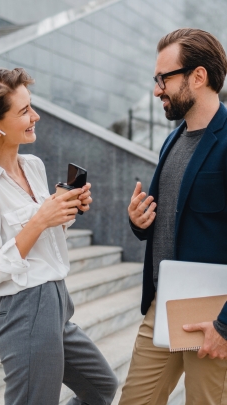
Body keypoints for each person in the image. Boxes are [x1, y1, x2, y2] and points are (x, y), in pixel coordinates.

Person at [0, 68, 118, 405]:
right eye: (24, 111)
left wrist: (64, 211)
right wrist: (39, 220)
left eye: (31, 106)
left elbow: (44, 238)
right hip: (25, 310)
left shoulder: (33, 166)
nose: (36, 116)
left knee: (101, 386)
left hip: (58, 303)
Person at [119, 28, 227, 405]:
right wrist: (140, 220)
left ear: (198, 76)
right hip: (161, 305)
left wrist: (225, 325)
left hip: (213, 317)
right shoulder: (173, 139)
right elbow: (174, 220)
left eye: (163, 78)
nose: (156, 90)